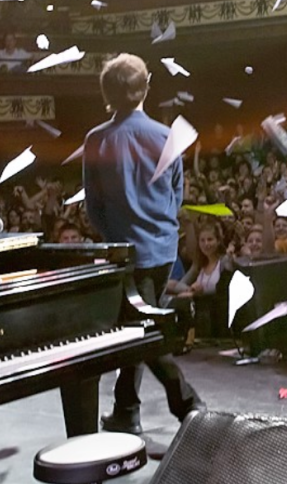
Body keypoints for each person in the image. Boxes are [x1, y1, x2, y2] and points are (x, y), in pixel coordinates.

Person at [84, 53, 203, 435]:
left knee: (143, 333)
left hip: (126, 252)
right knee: (138, 326)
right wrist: (160, 229)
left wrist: (116, 236)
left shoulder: (97, 140)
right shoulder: (166, 136)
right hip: (163, 250)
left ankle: (188, 404)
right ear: (146, 87)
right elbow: (176, 194)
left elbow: (94, 206)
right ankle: (126, 409)